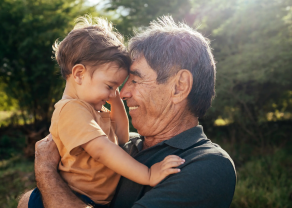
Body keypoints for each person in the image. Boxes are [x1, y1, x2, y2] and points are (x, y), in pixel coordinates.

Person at [18, 16, 236, 208]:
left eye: (135, 79)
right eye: (115, 84)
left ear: (178, 86)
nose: (121, 94)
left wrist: (46, 172)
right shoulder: (128, 145)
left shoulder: (207, 166)